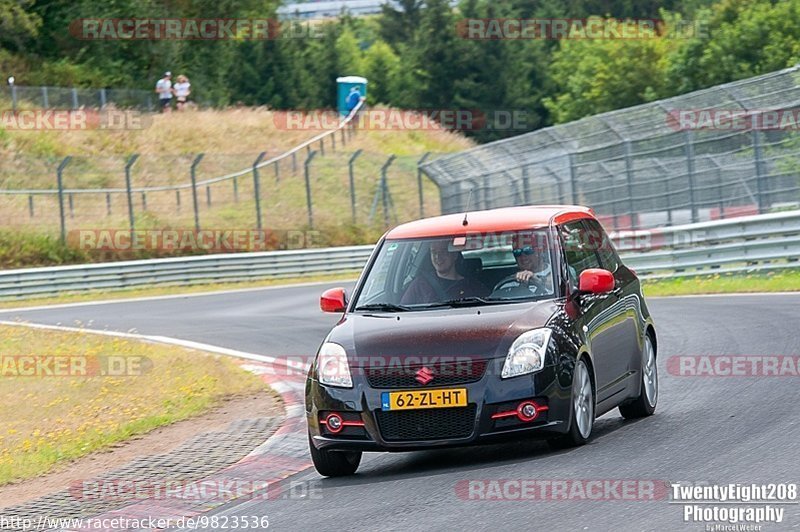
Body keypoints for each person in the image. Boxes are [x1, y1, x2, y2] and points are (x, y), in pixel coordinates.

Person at [401, 240, 489, 305]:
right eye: (434, 252)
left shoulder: (473, 286)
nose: (438, 257)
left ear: (454, 255)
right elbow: (403, 313)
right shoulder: (420, 285)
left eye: (443, 252)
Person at [495, 232, 555, 296]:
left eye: (528, 250)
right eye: (517, 252)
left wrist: (539, 281)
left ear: (540, 251)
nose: (523, 257)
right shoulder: (509, 284)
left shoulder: (556, 274)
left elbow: (562, 288)